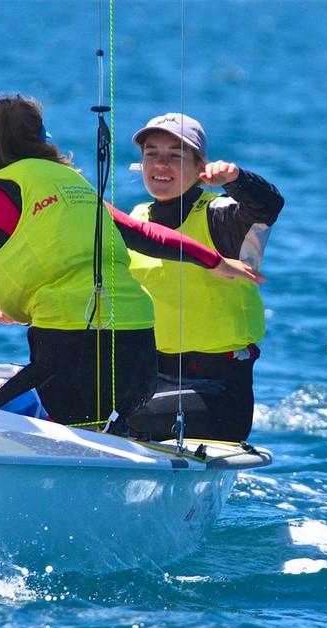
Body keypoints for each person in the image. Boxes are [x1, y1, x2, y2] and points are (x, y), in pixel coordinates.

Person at [0, 96, 263, 429]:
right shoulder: (76, 187)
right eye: (153, 154)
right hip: (139, 365)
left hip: (80, 362)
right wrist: (214, 260)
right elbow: (145, 234)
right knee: (88, 420)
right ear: (43, 138)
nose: (160, 164)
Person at [123, 113, 285, 442]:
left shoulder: (221, 217)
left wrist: (236, 179)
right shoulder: (137, 219)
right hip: (152, 377)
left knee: (121, 416)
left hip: (217, 393)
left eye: (174, 155)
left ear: (200, 168)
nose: (160, 164)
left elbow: (268, 205)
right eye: (151, 153)